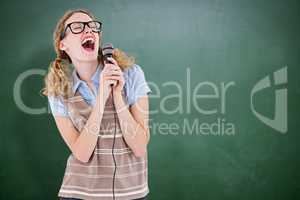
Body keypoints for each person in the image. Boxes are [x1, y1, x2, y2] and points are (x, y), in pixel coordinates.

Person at [42, 9, 151, 200]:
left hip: (131, 193)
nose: (89, 31)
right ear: (63, 45)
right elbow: (82, 154)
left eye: (93, 26)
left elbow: (140, 147)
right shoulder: (59, 91)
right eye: (77, 27)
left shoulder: (131, 74)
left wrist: (117, 95)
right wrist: (101, 98)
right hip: (80, 193)